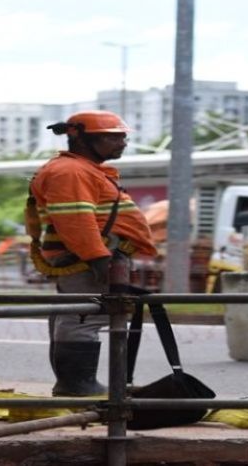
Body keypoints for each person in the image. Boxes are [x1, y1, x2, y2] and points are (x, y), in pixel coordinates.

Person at [26, 111, 156, 396]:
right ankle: (76, 385)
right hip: (86, 260)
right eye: (112, 137)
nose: (122, 142)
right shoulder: (70, 172)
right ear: (80, 138)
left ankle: (75, 384)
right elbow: (76, 220)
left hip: (92, 257)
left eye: (123, 137)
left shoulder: (81, 169)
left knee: (77, 313)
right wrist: (99, 259)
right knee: (84, 316)